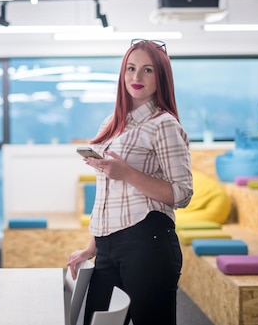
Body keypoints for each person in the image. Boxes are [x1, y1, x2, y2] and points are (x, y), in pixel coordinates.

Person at [67, 39, 193, 325]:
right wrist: (92, 246)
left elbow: (182, 194)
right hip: (108, 246)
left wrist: (127, 173)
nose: (136, 78)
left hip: (148, 243)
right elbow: (109, 194)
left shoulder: (165, 124)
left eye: (147, 70)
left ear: (161, 77)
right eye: (131, 68)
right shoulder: (111, 124)